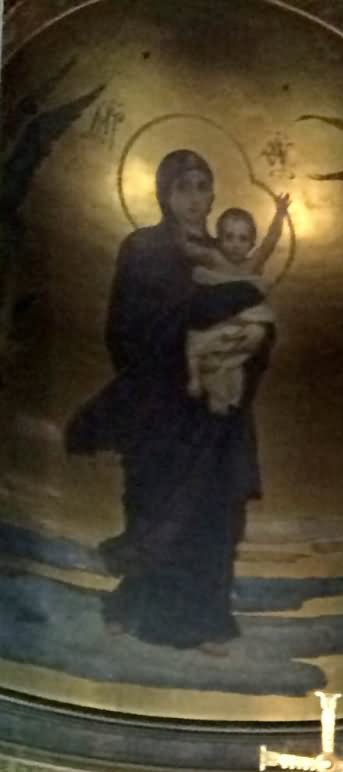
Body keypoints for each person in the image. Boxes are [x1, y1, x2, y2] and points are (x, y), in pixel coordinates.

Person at [67, 147, 276, 651]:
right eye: (184, 187)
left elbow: (260, 318)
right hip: (160, 405)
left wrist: (249, 342)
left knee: (212, 516)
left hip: (216, 416)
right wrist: (191, 323)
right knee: (156, 507)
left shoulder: (225, 252)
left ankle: (203, 621)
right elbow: (122, 330)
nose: (195, 199)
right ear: (163, 191)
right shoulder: (142, 248)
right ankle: (139, 608)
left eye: (203, 187)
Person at [183, 196, 290, 415]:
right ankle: (205, 376)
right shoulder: (214, 258)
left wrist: (280, 214)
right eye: (228, 237)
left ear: (251, 243)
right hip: (217, 324)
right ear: (219, 239)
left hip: (242, 325)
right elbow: (190, 249)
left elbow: (270, 241)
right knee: (198, 342)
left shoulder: (252, 264)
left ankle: (224, 368)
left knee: (257, 332)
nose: (235, 244)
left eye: (242, 239)